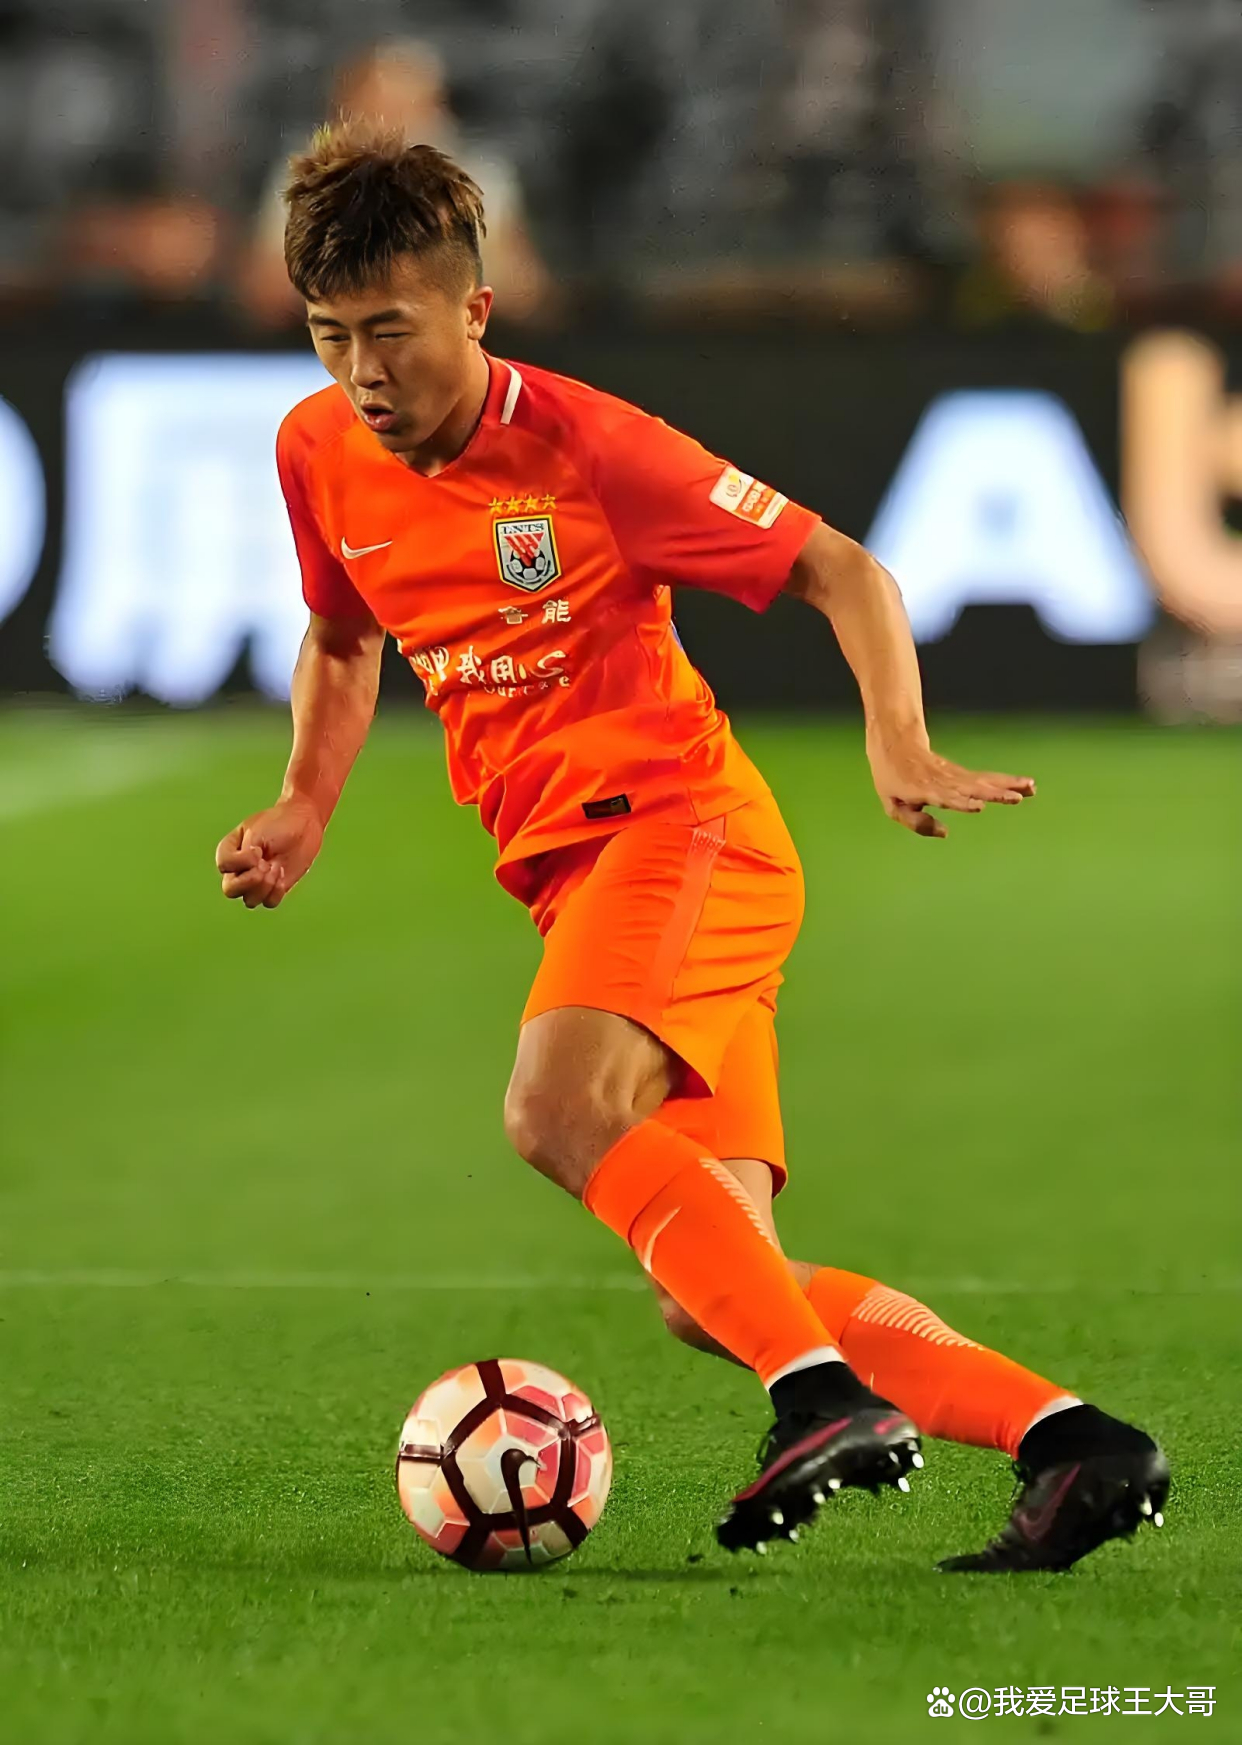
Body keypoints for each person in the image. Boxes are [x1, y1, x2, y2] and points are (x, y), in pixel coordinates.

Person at [215, 120, 1168, 1569]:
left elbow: (844, 569)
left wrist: (898, 741)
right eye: (329, 334)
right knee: (713, 1288)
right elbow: (342, 638)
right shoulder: (317, 449)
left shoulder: (589, 447)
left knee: (555, 1108)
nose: (363, 373)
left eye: (391, 331)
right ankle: (1074, 1444)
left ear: (476, 309)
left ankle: (824, 1402)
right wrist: (304, 800)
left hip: (679, 835)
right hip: (585, 877)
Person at [234, 40, 552, 330]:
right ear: (345, 114)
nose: (395, 127)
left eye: (409, 109)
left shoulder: (482, 178)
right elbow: (264, 292)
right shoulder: (305, 175)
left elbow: (524, 293)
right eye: (379, 110)